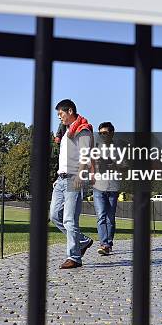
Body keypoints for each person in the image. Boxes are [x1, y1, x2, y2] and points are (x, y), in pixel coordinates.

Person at [49, 99, 94, 269]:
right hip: (61, 178)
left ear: (69, 111)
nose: (59, 117)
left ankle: (74, 257)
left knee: (69, 219)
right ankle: (82, 241)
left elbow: (85, 155)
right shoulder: (66, 130)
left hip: (74, 177)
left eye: (61, 113)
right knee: (54, 216)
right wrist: (59, 175)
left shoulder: (82, 130)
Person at [92, 122, 121, 256]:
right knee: (101, 216)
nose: (102, 135)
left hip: (113, 187)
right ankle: (104, 244)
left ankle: (109, 243)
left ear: (111, 133)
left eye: (105, 133)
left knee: (110, 217)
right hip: (98, 187)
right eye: (100, 133)